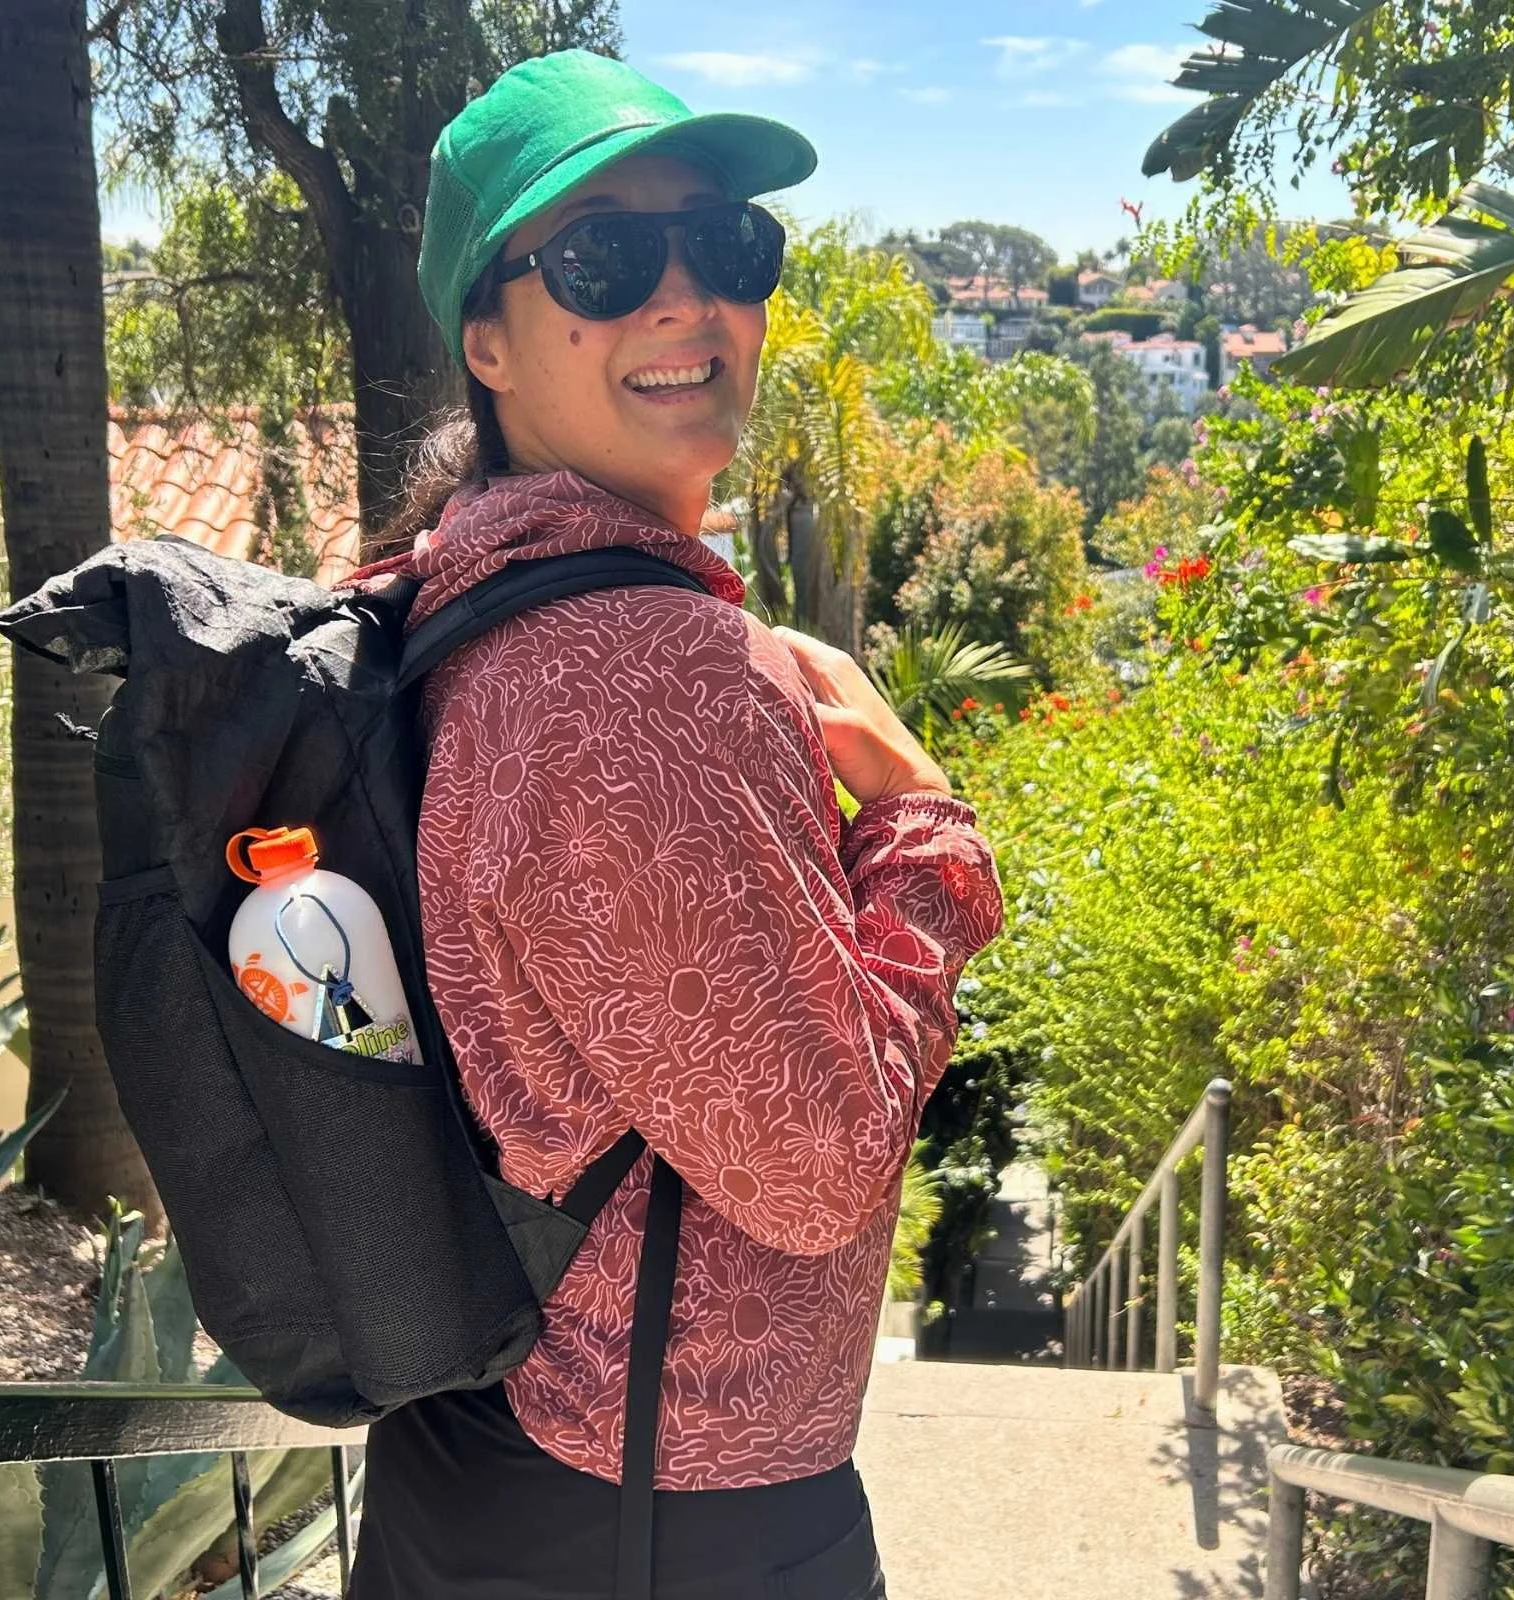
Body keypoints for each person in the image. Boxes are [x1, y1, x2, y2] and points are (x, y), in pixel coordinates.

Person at [343, 51, 1005, 1600]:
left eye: (727, 246)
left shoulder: (456, 590)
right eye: (603, 257)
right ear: (488, 342)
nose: (683, 295)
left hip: (516, 1441)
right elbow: (818, 1164)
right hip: (667, 1505)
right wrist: (925, 825)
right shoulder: (638, 671)